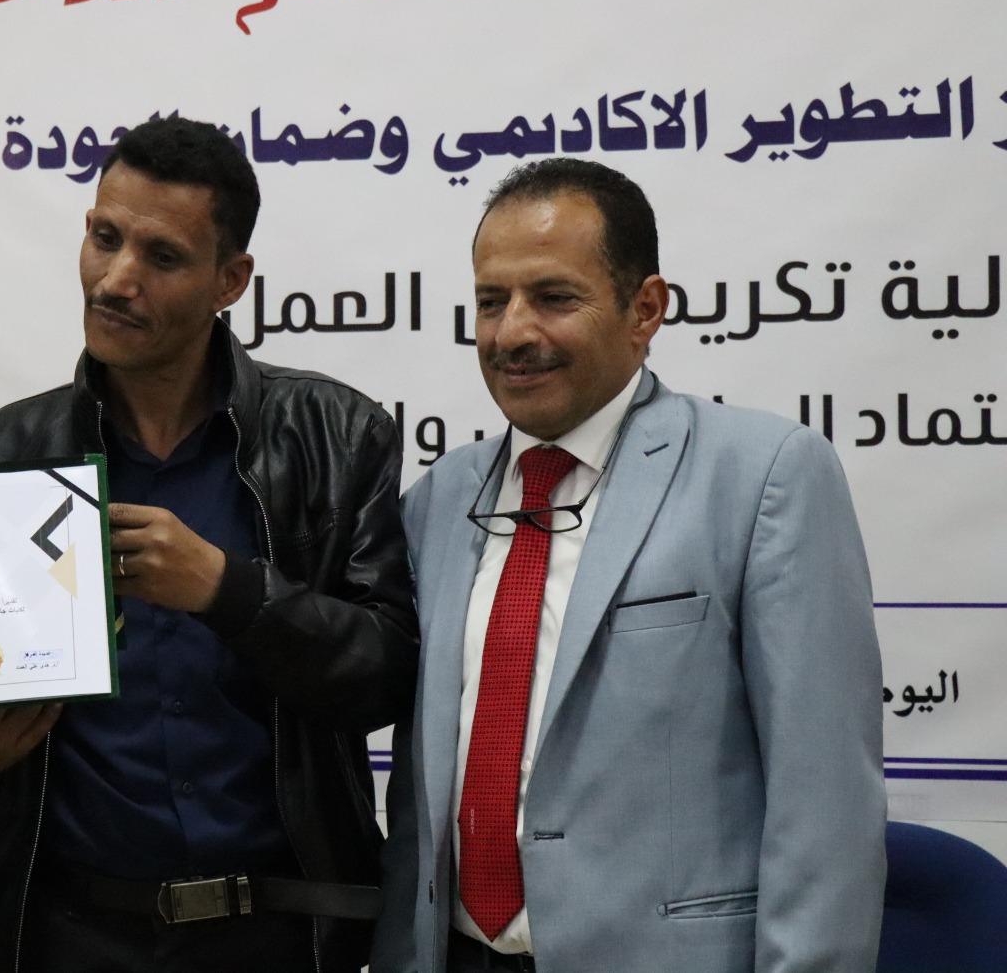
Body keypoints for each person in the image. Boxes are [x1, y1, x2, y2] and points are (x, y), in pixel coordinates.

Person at [374, 158, 885, 973]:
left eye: (553, 297)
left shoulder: (763, 476)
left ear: (645, 309)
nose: (511, 333)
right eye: (491, 301)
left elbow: (825, 800)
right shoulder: (439, 499)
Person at [0, 114, 417, 972]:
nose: (117, 279)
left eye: (162, 257)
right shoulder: (4, 454)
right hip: (71, 936)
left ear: (231, 280)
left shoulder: (340, 435)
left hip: (283, 935)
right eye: (104, 239)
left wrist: (229, 590)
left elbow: (384, 675)